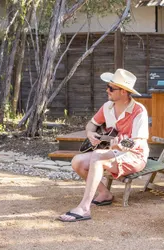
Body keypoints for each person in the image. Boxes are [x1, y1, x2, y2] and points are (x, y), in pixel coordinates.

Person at [58, 68, 149, 222]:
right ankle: (105, 194)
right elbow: (91, 124)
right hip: (112, 152)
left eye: (111, 88)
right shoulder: (107, 107)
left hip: (134, 155)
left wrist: (120, 146)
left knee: (98, 157)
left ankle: (84, 208)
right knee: (77, 161)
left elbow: (137, 141)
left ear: (124, 92)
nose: (107, 90)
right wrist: (90, 134)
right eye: (108, 86)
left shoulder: (138, 111)